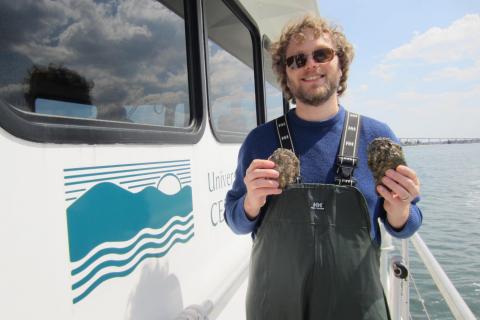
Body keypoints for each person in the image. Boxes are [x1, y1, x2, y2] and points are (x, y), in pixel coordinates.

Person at [224, 14, 422, 319]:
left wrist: (401, 210)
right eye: (297, 60)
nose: (310, 65)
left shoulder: (376, 136)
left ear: (340, 64)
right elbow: (235, 220)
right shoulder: (259, 141)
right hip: (275, 308)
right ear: (286, 75)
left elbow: (408, 223)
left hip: (356, 307)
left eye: (322, 54)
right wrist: (250, 202)